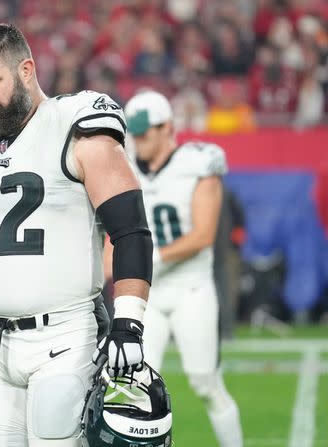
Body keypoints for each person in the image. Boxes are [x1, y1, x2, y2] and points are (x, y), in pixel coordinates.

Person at [0, 23, 154, 447]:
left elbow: (130, 231)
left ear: (26, 70)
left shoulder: (76, 124)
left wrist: (129, 324)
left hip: (65, 335)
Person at [116, 90, 243, 447]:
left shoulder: (198, 163)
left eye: (145, 132)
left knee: (205, 383)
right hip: (148, 297)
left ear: (168, 127)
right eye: (134, 132)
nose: (138, 140)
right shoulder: (123, 166)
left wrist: (147, 260)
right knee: (139, 389)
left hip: (191, 290)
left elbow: (202, 235)